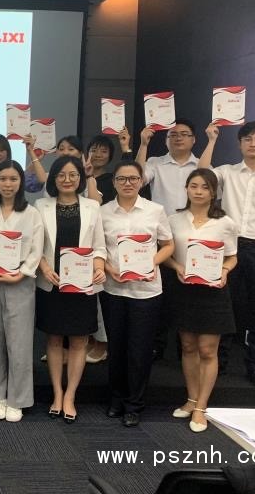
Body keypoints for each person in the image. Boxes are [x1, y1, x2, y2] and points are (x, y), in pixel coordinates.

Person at [198, 121, 255, 390]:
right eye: (247, 139)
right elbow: (201, 174)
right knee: (224, 305)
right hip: (229, 247)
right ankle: (219, 363)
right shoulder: (227, 172)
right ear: (239, 144)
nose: (253, 144)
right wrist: (211, 140)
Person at [100, 161, 174, 427]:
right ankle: (116, 399)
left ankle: (134, 404)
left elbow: (168, 245)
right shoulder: (103, 212)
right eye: (122, 179)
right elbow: (99, 249)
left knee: (140, 349)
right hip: (114, 288)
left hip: (146, 292)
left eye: (133, 178)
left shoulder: (155, 210)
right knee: (117, 347)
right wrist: (109, 269)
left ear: (141, 182)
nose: (128, 183)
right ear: (114, 183)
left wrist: (150, 263)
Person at [164, 169, 238, 432]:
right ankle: (191, 399)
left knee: (207, 350)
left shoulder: (225, 222)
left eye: (205, 187)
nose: (198, 191)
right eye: (193, 186)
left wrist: (225, 271)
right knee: (187, 346)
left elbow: (232, 256)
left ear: (213, 192)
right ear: (186, 188)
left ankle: (201, 407)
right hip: (184, 290)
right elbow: (167, 253)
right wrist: (177, 267)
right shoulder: (174, 219)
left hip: (213, 291)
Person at [35, 155, 106, 424]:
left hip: (82, 284)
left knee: (79, 341)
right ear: (54, 178)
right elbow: (35, 246)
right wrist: (44, 267)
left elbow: (99, 246)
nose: (67, 180)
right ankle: (57, 393)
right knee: (54, 339)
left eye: (73, 175)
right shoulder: (41, 206)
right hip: (52, 282)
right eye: (62, 175)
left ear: (80, 178)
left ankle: (70, 396)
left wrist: (98, 267)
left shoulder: (92, 207)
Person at [0, 160, 43, 422]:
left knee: (19, 342)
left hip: (20, 281)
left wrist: (21, 274)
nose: (8, 184)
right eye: (3, 179)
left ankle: (17, 398)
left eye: (13, 179)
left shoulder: (31, 213)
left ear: (21, 182)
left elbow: (36, 249)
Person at [136, 118, 203, 362]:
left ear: (193, 139)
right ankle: (157, 345)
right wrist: (144, 144)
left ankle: (184, 348)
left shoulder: (201, 164)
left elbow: (209, 189)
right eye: (172, 134)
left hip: (192, 236)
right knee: (160, 294)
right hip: (161, 237)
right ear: (166, 140)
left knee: (188, 294)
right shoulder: (155, 162)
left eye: (184, 134)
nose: (178, 138)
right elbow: (137, 179)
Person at [88, 129, 134, 205]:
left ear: (110, 156)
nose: (98, 155)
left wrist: (125, 146)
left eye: (104, 151)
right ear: (87, 153)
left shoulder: (112, 180)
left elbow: (128, 169)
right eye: (94, 150)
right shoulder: (78, 177)